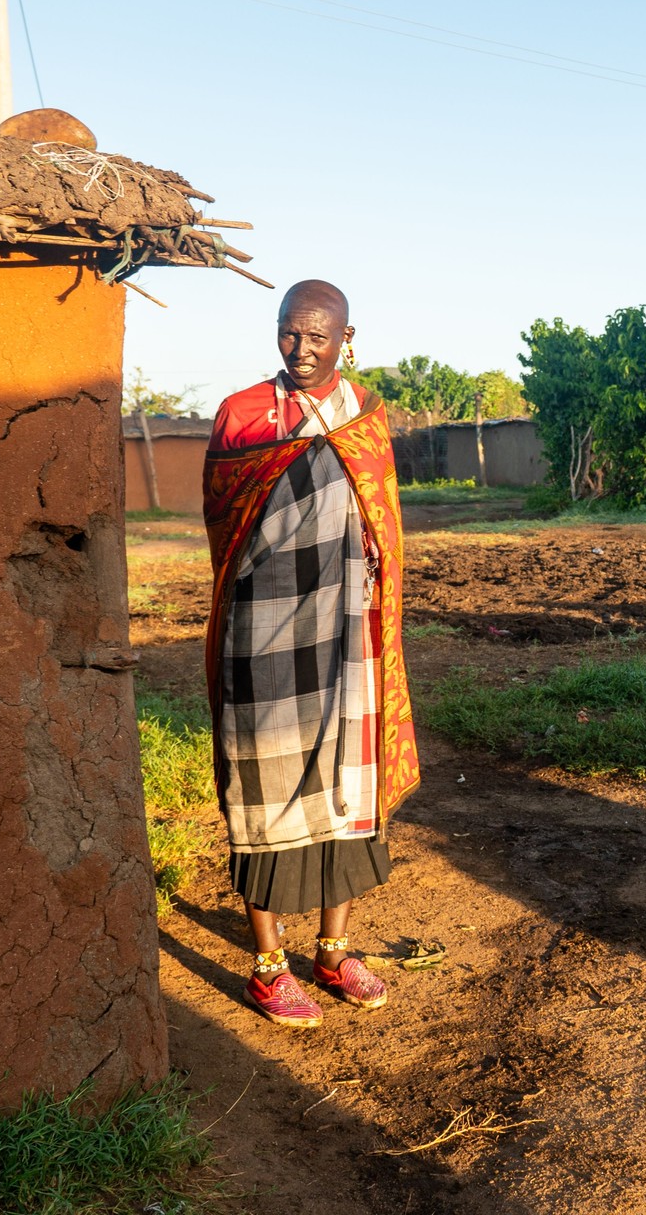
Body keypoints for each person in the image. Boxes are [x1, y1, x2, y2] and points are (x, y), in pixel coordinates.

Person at [202, 279, 421, 1027]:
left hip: (346, 630)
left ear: (346, 339)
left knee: (346, 785)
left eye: (317, 338)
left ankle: (332, 951)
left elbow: (382, 523)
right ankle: (268, 966)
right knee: (264, 786)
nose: (301, 350)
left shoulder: (362, 413)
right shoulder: (242, 414)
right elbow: (224, 530)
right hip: (261, 628)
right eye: (289, 334)